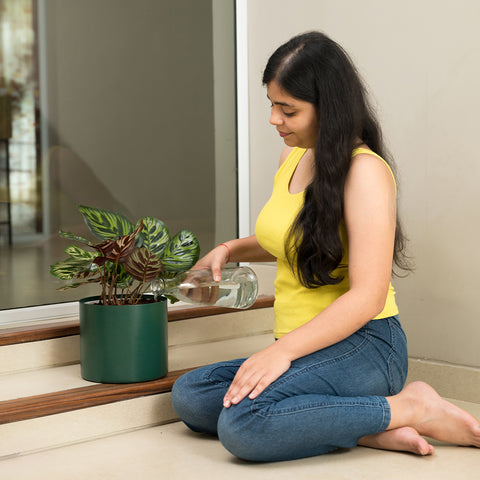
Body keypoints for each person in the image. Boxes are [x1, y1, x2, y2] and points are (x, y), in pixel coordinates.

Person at [171, 31, 480, 462]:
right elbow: (290, 237)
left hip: (366, 344)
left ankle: (410, 405)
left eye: (288, 109)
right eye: (272, 105)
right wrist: (230, 248)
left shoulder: (366, 173)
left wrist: (279, 353)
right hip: (303, 345)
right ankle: (370, 426)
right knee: (192, 396)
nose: (274, 120)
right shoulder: (294, 156)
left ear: (328, 108)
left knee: (244, 425)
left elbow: (368, 296)